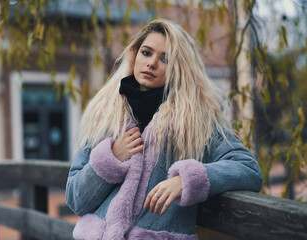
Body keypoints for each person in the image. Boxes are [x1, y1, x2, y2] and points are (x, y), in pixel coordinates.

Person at [66, 19, 263, 240]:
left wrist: (186, 180)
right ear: (134, 54)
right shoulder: (105, 115)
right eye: (146, 53)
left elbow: (249, 169)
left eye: (165, 59)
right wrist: (111, 158)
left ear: (179, 68)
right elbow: (76, 199)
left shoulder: (195, 121)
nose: (151, 64)